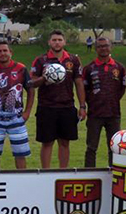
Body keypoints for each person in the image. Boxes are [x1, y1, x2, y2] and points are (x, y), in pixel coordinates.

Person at [30, 30, 86, 168]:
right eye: (54, 40)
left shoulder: (73, 60)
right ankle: (46, 173)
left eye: (59, 40)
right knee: (47, 142)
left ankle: (63, 172)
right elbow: (31, 83)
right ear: (49, 42)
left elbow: (79, 83)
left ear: (64, 42)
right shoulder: (41, 60)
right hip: (46, 106)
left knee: (65, 142)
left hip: (67, 107)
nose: (57, 42)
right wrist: (44, 78)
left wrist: (83, 106)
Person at [0, 42, 34, 169]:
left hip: (16, 117)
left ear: (11, 52)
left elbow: (31, 90)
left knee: (20, 153)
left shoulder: (21, 68)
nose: (3, 53)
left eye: (5, 50)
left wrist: (27, 112)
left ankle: (22, 180)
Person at [82, 36, 126, 167]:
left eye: (106, 45)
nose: (103, 48)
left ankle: (113, 173)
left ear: (110, 47)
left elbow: (122, 89)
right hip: (95, 114)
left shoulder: (119, 67)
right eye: (100, 46)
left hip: (113, 114)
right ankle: (88, 174)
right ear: (96, 49)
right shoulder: (89, 68)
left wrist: (111, 99)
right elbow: (84, 89)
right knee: (91, 147)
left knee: (114, 147)